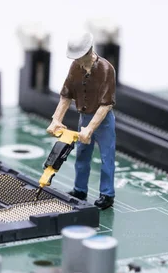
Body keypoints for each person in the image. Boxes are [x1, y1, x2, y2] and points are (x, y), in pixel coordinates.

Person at [46, 32, 116, 210]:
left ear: (89, 52)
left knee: (107, 158)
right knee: (82, 156)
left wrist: (90, 129)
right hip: (84, 118)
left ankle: (107, 195)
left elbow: (106, 105)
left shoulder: (106, 70)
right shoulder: (75, 67)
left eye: (79, 57)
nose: (77, 61)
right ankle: (79, 190)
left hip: (103, 121)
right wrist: (56, 120)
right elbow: (65, 96)